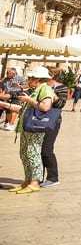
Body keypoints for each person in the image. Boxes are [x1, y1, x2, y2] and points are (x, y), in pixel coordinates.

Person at [1, 65, 55, 194]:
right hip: (26, 127)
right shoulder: (35, 90)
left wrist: (28, 99)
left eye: (30, 77)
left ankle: (35, 182)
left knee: (33, 153)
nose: (28, 80)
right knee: (25, 154)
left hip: (35, 128)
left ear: (37, 79)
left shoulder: (45, 89)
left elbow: (45, 107)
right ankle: (27, 181)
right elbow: (24, 110)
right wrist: (4, 104)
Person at [41, 68, 68, 188]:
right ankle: (38, 177)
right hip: (38, 120)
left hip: (53, 121)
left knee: (46, 149)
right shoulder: (41, 85)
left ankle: (53, 177)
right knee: (38, 149)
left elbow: (61, 104)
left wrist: (50, 92)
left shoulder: (61, 87)